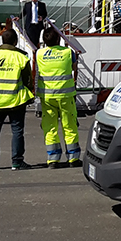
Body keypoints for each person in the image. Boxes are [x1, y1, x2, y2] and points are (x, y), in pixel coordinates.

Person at [0, 30, 34, 170]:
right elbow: (28, 81)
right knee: (17, 130)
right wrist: (29, 97)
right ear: (15, 41)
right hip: (16, 100)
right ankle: (17, 162)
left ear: (2, 40)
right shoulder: (22, 58)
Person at [35, 27, 81, 168]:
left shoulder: (39, 53)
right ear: (58, 39)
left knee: (50, 127)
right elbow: (74, 69)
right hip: (66, 94)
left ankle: (53, 159)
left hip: (47, 96)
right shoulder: (68, 52)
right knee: (70, 125)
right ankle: (73, 158)